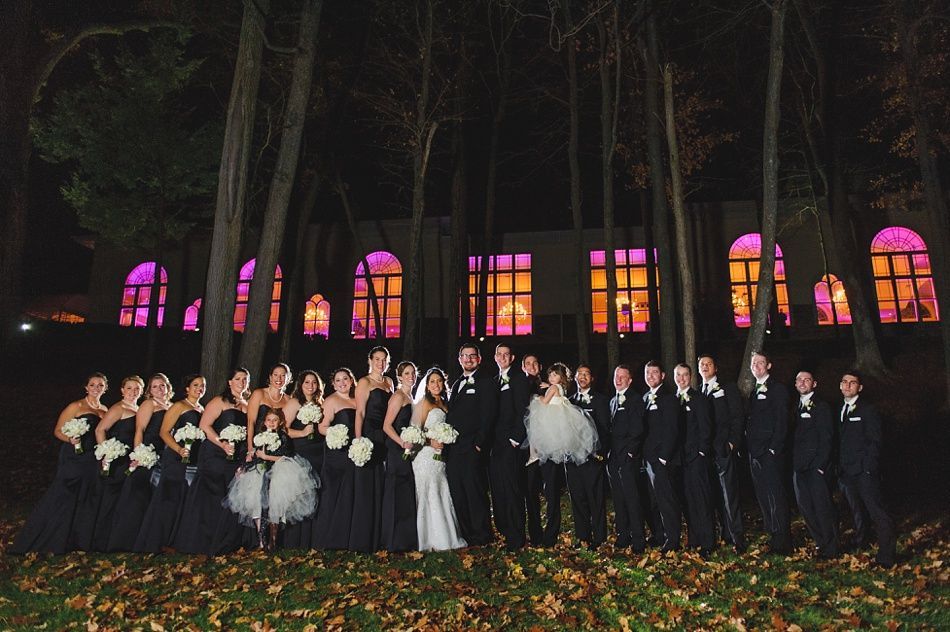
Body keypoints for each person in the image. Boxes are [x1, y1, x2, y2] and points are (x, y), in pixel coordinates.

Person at [10, 373, 109, 554]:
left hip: (92, 458)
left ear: (105, 388)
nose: (96, 388)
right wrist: (71, 440)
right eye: (93, 385)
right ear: (86, 387)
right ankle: (46, 538)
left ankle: (76, 540)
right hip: (74, 455)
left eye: (100, 385)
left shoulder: (104, 409)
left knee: (86, 496)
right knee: (65, 494)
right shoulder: (76, 406)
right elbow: (57, 430)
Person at [175, 368, 251, 554]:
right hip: (215, 454)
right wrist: (222, 443)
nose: (242, 382)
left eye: (245, 379)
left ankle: (225, 541)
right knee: (213, 496)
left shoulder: (247, 404)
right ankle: (203, 541)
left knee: (231, 495)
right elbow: (204, 425)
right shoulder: (219, 401)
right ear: (229, 382)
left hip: (236, 456)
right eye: (238, 379)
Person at [223, 409, 318, 551]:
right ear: (264, 422)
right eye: (269, 420)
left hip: (279, 469)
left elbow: (286, 456)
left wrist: (267, 457)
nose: (272, 423)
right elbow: (255, 455)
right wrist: (243, 466)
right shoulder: (260, 437)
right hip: (260, 469)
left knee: (275, 502)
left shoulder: (283, 436)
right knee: (255, 499)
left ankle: (273, 540)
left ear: (280, 422)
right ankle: (261, 539)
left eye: (275, 420)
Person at [134, 374, 206, 552]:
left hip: (192, 459)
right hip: (175, 458)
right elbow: (164, 432)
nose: (199, 388)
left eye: (202, 385)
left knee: (185, 499)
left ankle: (176, 540)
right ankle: (157, 541)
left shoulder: (201, 408)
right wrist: (179, 449)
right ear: (187, 388)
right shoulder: (179, 406)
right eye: (195, 385)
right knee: (169, 500)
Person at [107, 373, 173, 551]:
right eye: (155, 386)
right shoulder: (148, 404)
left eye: (162, 386)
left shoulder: (172, 406)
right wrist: (138, 454)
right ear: (149, 391)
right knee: (139, 496)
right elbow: (139, 430)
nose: (159, 389)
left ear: (168, 387)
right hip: (148, 451)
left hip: (166, 454)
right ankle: (127, 541)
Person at [838, 371, 896, 567]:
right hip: (846, 472)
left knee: (877, 512)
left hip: (864, 472)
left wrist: (868, 468)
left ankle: (887, 555)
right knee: (857, 511)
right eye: (844, 382)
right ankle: (861, 542)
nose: (848, 386)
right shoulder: (839, 408)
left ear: (859, 388)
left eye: (852, 383)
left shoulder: (867, 410)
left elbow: (875, 441)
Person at [80, 375, 143, 551]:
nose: (133, 392)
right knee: (109, 498)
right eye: (129, 388)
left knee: (122, 499)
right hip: (116, 459)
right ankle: (99, 542)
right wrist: (106, 453)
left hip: (129, 458)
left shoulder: (138, 408)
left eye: (137, 388)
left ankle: (116, 539)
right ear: (122, 391)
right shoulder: (118, 408)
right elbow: (100, 429)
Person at [445, 343, 496, 546]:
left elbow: (489, 415)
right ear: (459, 359)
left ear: (479, 359)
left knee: (475, 492)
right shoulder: (457, 383)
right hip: (454, 449)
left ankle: (482, 535)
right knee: (458, 491)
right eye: (464, 356)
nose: (468, 359)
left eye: (472, 356)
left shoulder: (486, 382)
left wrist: (479, 444)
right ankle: (466, 534)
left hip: (472, 447)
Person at [412, 368, 467, 551]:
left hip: (441, 457)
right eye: (432, 381)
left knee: (441, 491)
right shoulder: (423, 403)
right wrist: (431, 441)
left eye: (439, 381)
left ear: (444, 384)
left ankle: (445, 536)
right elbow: (414, 433)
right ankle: (425, 538)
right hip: (426, 456)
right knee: (428, 492)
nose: (436, 385)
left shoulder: (445, 403)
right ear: (427, 385)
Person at [697, 354, 746, 553]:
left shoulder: (728, 388)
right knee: (713, 495)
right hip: (705, 453)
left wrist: (733, 443)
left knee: (729, 495)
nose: (705, 366)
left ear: (715, 368)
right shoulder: (698, 392)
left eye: (709, 363)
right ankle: (721, 533)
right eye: (702, 364)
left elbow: (737, 417)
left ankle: (737, 538)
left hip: (724, 449)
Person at [746, 351, 792, 554]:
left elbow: (782, 421)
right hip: (755, 452)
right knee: (763, 496)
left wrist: (774, 448)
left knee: (776, 496)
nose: (756, 365)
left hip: (770, 452)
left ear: (769, 366)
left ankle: (783, 540)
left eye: (761, 362)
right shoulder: (753, 390)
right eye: (754, 363)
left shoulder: (778, 389)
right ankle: (772, 534)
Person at [792, 370, 838, 559]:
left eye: (807, 380)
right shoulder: (794, 406)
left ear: (814, 384)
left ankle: (832, 546)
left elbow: (827, 437)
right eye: (799, 380)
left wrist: (820, 465)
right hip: (799, 466)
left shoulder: (821, 406)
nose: (802, 383)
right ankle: (820, 543)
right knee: (806, 507)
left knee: (822, 507)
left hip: (816, 467)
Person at [351, 346, 393, 553]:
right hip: (369, 434)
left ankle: (381, 536)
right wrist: (359, 440)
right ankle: (364, 539)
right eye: (377, 359)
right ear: (370, 360)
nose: (380, 363)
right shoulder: (364, 382)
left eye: (384, 360)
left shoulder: (389, 382)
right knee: (368, 485)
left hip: (386, 436)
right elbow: (359, 412)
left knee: (383, 485)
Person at [489, 344, 531, 551]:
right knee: (498, 490)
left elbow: (523, 410)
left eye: (507, 354)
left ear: (512, 357)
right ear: (495, 357)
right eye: (500, 354)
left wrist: (515, 439)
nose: (503, 357)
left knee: (512, 490)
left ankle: (516, 537)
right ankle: (505, 532)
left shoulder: (519, 378)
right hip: (495, 444)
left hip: (511, 444)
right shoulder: (494, 380)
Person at [313, 368, 359, 550]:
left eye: (345, 379)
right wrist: (336, 434)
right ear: (333, 384)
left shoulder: (357, 399)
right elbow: (322, 427)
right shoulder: (331, 400)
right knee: (333, 493)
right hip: (337, 453)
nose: (342, 383)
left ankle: (345, 537)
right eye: (338, 380)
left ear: (351, 380)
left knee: (349, 493)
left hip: (354, 452)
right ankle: (327, 539)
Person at [280, 369, 326, 549]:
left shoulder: (320, 403)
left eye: (314, 382)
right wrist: (302, 433)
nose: (311, 386)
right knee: (300, 493)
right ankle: (294, 540)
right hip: (301, 451)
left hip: (318, 452)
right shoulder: (294, 403)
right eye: (307, 382)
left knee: (315, 493)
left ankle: (311, 539)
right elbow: (282, 429)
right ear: (301, 384)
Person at [673, 363, 715, 557]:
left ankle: (708, 542)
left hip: (696, 459)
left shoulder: (699, 399)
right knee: (686, 501)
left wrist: (701, 453)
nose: (681, 379)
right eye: (678, 375)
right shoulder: (672, 399)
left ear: (690, 377)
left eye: (685, 375)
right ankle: (694, 539)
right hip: (679, 461)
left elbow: (706, 428)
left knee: (701, 500)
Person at [566, 364, 610, 550]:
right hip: (573, 460)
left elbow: (606, 428)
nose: (582, 377)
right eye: (579, 374)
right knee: (578, 498)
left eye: (586, 374)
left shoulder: (600, 400)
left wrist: (600, 454)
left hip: (593, 459)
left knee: (595, 499)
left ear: (592, 378)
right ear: (575, 378)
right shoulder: (569, 401)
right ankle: (582, 536)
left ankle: (599, 537)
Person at [641, 361, 682, 553]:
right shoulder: (645, 398)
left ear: (663, 376)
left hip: (662, 460)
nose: (650, 376)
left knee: (666, 500)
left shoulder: (669, 399)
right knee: (653, 500)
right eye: (647, 373)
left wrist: (664, 457)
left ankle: (672, 539)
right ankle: (659, 534)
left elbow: (673, 430)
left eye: (654, 372)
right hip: (647, 459)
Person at [380, 361, 419, 552]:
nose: (410, 376)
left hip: (408, 450)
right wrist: (402, 442)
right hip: (396, 450)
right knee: (396, 492)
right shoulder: (397, 397)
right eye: (406, 373)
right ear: (400, 376)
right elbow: (386, 425)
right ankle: (393, 540)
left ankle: (406, 538)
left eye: (413, 373)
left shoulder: (411, 397)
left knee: (406, 492)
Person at [607, 364, 646, 551]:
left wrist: (631, 452)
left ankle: (638, 539)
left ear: (630, 380)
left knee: (632, 499)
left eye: (623, 376)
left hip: (628, 458)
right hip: (613, 458)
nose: (618, 379)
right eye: (616, 376)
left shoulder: (635, 399)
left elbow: (638, 428)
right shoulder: (612, 401)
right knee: (618, 499)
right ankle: (623, 535)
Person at [521, 354, 548, 546]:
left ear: (540, 366)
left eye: (534, 363)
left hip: (543, 446)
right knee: (525, 492)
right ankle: (527, 532)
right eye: (527, 363)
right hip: (523, 445)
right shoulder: (520, 386)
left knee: (539, 492)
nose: (531, 366)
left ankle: (541, 533)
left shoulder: (547, 387)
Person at [246, 363, 291, 455]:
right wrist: (250, 447)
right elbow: (251, 422)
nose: (279, 379)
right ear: (270, 377)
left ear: (287, 379)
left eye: (283, 376)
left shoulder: (288, 400)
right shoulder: (259, 393)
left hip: (277, 445)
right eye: (275, 375)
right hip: (257, 443)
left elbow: (285, 427)